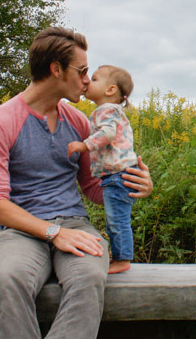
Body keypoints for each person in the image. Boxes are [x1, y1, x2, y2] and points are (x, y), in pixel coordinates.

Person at [0, 27, 153, 339]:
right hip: (20, 231)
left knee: (88, 276)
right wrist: (52, 232)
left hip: (75, 225)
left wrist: (130, 187)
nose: (87, 81)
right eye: (82, 71)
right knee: (9, 279)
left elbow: (92, 188)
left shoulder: (79, 122)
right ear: (56, 69)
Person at [68, 65, 138, 274]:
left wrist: (84, 145)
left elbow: (107, 133)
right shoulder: (111, 110)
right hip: (118, 175)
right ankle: (120, 257)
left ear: (110, 90)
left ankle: (123, 259)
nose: (88, 81)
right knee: (116, 219)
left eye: (95, 79)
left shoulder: (106, 110)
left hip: (117, 176)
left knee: (118, 220)